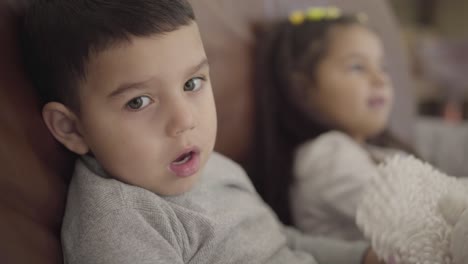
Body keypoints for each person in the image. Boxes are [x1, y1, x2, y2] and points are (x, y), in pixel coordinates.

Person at [20, 1, 384, 263]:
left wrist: (361, 256)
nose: (184, 121)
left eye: (193, 83)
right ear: (71, 128)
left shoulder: (216, 166)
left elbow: (281, 241)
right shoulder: (117, 222)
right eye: (138, 102)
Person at [247, 7, 415, 241]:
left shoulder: (374, 150)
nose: (381, 79)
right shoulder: (325, 156)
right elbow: (413, 216)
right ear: (302, 89)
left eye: (382, 67)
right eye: (357, 66)